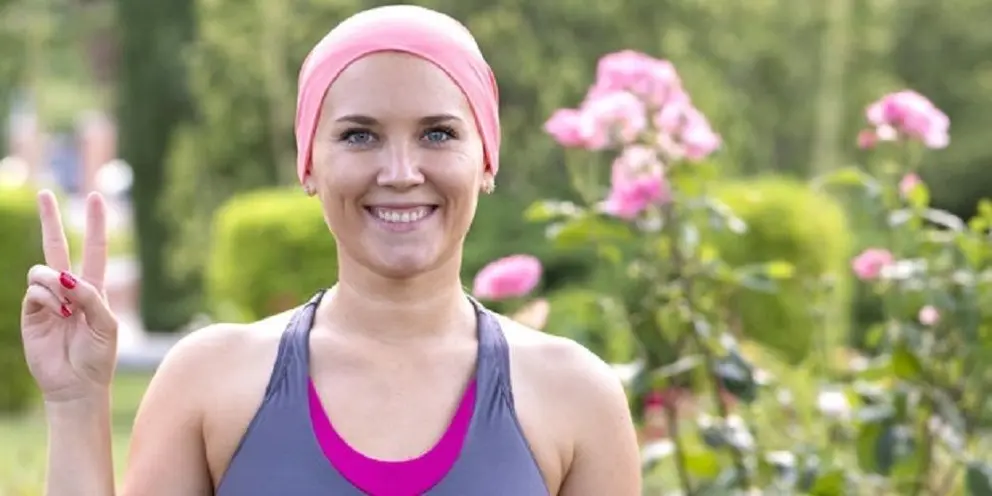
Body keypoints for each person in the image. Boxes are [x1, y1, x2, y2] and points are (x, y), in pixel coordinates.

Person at [20, 5, 641, 496]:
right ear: (309, 163)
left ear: (486, 159)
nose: (400, 171)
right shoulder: (209, 384)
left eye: (438, 133)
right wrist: (76, 405)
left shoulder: (575, 396)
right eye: (359, 135)